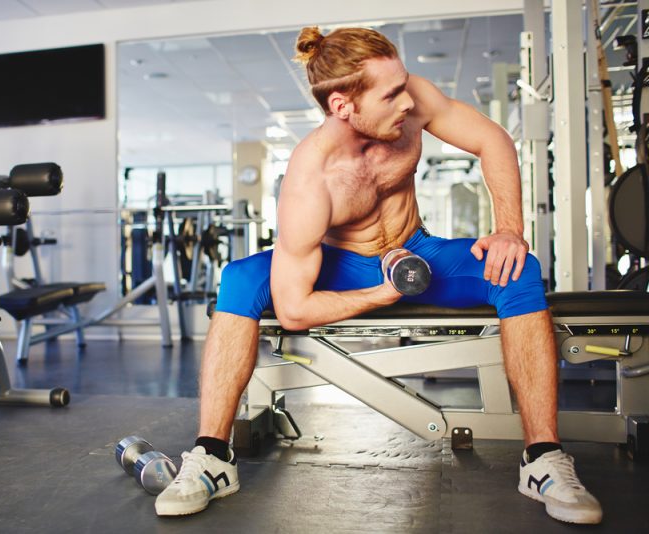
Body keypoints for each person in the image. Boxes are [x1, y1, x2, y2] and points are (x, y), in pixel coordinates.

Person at [154, 26, 602, 525]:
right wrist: (382, 293)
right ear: (344, 106)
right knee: (239, 279)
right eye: (391, 94)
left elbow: (492, 140)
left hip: (416, 246)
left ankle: (542, 460)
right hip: (341, 263)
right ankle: (213, 457)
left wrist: (509, 231)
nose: (408, 101)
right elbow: (297, 308)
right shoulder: (312, 177)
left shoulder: (411, 102)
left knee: (520, 270)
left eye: (404, 84)